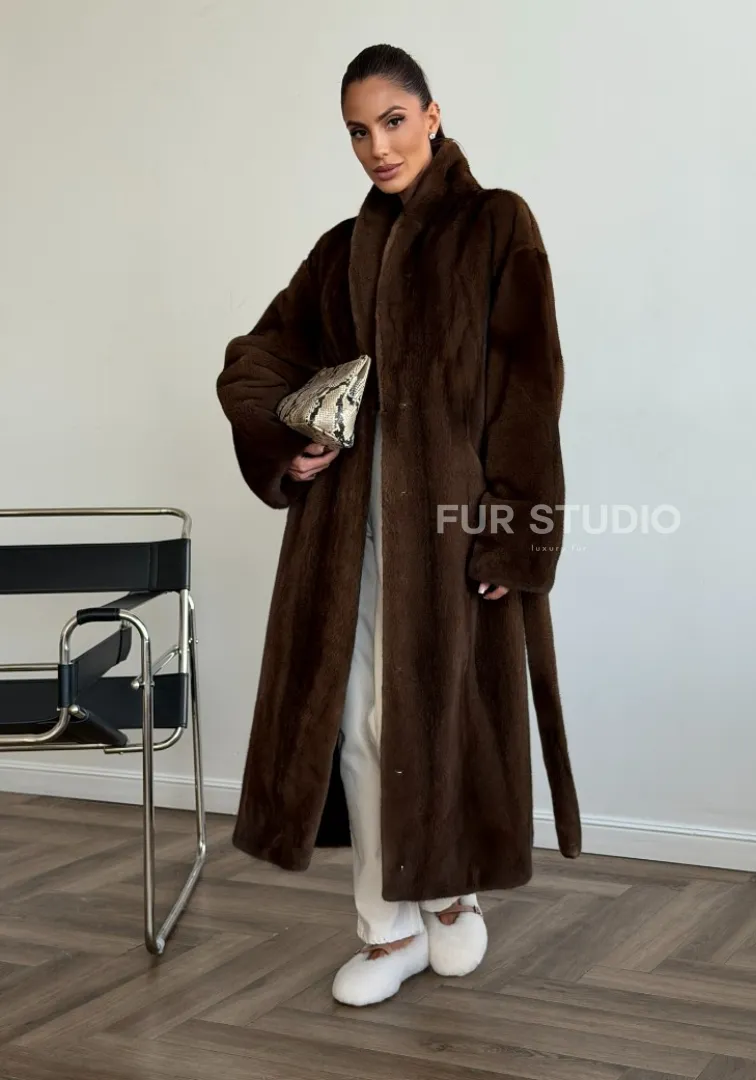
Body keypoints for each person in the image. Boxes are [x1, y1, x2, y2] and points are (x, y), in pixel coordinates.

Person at [216, 43, 581, 1008]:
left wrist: (516, 531)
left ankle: (450, 897)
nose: (376, 146)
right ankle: (387, 930)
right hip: (346, 536)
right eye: (356, 131)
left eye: (390, 121)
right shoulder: (339, 249)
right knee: (356, 726)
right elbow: (256, 356)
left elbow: (530, 389)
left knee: (436, 717)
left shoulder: (498, 224)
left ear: (430, 116)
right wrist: (287, 439)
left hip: (453, 536)